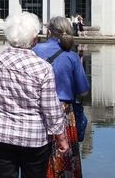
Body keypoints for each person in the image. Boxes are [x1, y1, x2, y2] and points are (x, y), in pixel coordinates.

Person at [0, 12, 68, 177]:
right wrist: (60, 136)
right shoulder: (43, 68)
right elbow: (50, 108)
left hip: (1, 133)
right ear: (34, 40)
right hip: (35, 136)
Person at [33, 16, 90, 177]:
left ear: (49, 31)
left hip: (38, 111)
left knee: (38, 159)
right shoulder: (71, 56)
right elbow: (84, 90)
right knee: (66, 159)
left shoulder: (35, 51)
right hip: (64, 112)